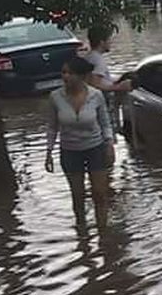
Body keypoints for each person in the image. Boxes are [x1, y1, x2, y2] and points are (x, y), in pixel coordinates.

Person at [46, 56, 116, 227]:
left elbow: (105, 123)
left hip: (95, 148)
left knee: (99, 193)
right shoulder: (55, 97)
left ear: (82, 76)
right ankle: (82, 231)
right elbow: (52, 127)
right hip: (70, 151)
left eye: (70, 73)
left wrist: (109, 144)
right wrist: (49, 152)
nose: (66, 76)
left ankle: (103, 230)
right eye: (64, 72)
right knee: (78, 195)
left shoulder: (96, 95)